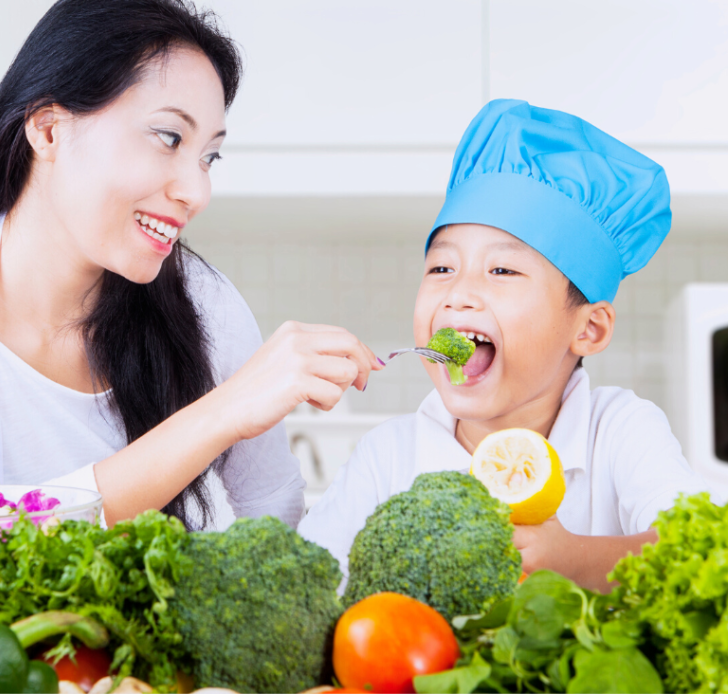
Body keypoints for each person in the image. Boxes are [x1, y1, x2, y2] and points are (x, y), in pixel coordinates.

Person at [0, 0, 381, 531]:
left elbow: (274, 518)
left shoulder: (203, 304)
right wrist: (222, 412)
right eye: (169, 138)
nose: (197, 191)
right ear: (48, 130)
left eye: (209, 157)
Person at [298, 99, 711, 592]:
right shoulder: (388, 456)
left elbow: (699, 548)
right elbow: (308, 585)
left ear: (589, 330)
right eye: (441, 268)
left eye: (502, 271)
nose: (459, 294)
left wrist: (573, 558)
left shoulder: (620, 431)